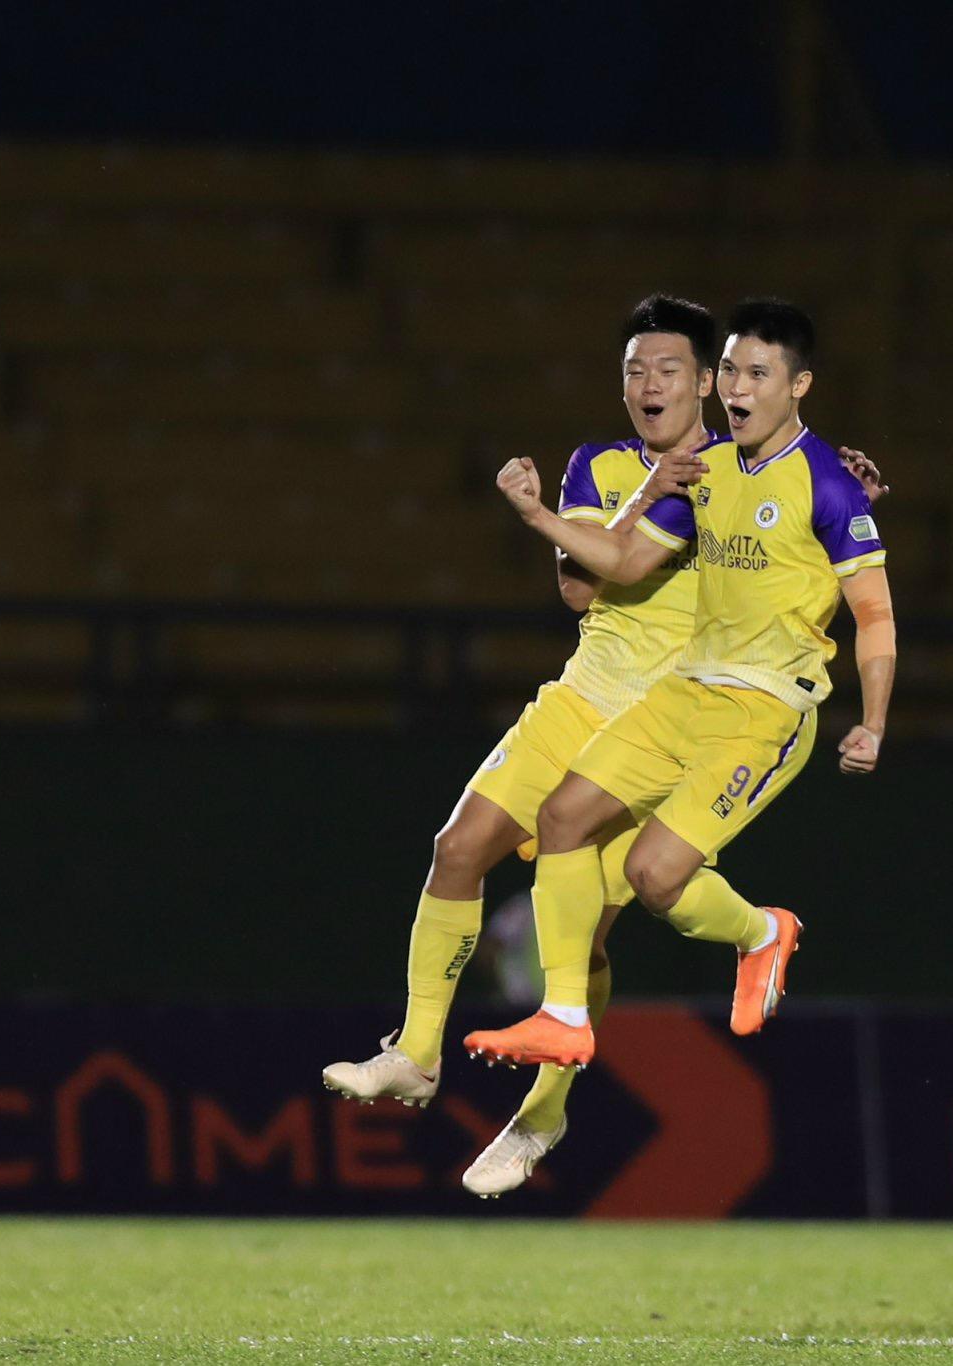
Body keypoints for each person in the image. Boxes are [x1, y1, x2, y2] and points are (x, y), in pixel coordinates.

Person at [322, 294, 883, 1198]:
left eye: (668, 369)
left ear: (708, 382)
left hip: (676, 714)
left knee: (583, 927)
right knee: (456, 849)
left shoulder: (753, 470)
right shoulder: (602, 464)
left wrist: (828, 498)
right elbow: (584, 591)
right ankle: (417, 1052)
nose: (647, 384)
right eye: (633, 370)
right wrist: (625, 507)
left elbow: (810, 543)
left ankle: (541, 1115)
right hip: (582, 697)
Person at [463, 297, 895, 1074]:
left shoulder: (829, 485)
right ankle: (562, 1015)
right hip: (685, 691)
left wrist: (873, 719)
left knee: (652, 876)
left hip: (767, 709)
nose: (737, 385)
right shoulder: (709, 470)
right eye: (730, 368)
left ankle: (762, 932)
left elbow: (875, 613)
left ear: (798, 386)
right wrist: (535, 517)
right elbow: (623, 564)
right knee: (561, 816)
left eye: (757, 372)